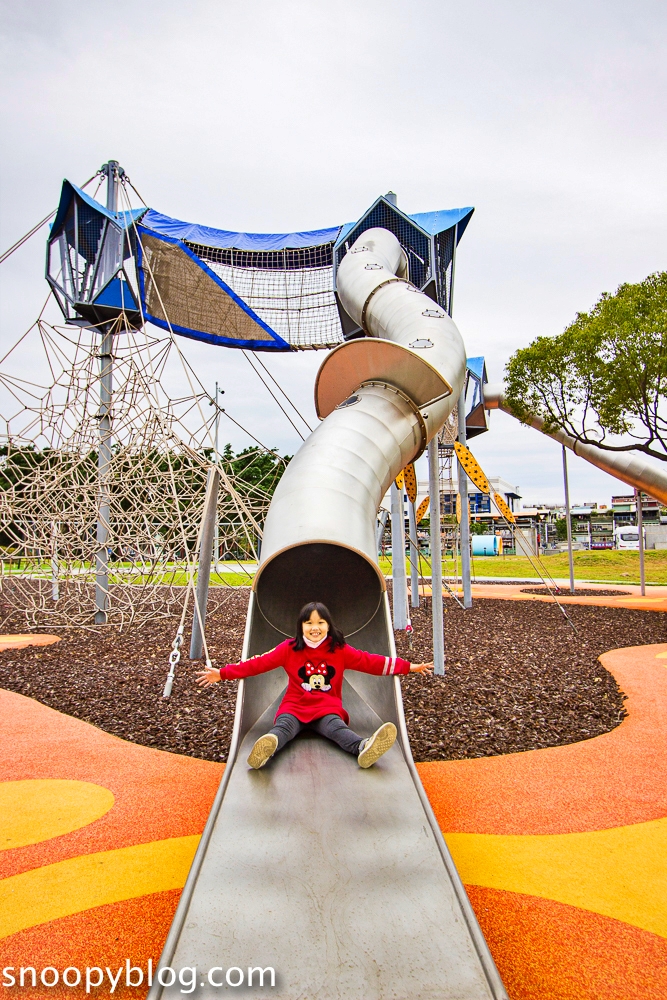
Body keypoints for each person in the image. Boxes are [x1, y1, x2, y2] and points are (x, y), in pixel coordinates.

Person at [196, 601, 433, 769]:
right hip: (294, 707)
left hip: (325, 708)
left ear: (329, 626)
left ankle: (363, 747)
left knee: (336, 729)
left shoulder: (339, 651)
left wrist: (407, 666)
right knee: (284, 727)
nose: (315, 628)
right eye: (309, 623)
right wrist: (223, 673)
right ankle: (267, 747)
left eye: (320, 623)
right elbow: (258, 664)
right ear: (301, 627)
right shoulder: (288, 649)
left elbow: (370, 661)